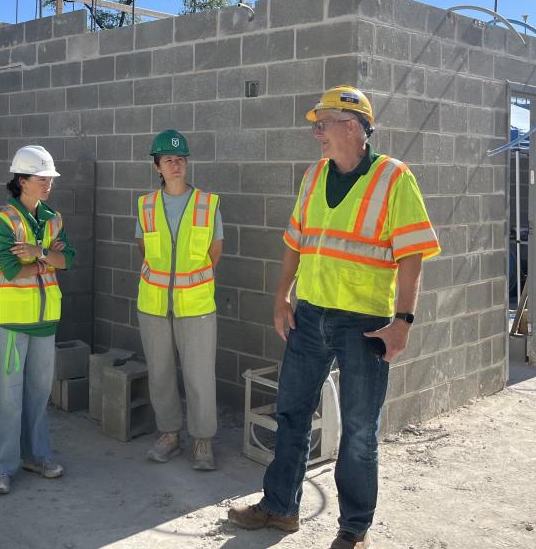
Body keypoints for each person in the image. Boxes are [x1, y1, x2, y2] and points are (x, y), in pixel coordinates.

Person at [228, 86, 440, 549]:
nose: (315, 131)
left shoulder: (393, 177)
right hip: (310, 314)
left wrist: (403, 321)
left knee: (360, 430)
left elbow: (411, 256)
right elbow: (295, 241)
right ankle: (281, 507)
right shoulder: (314, 174)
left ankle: (354, 529)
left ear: (352, 126)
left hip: (365, 323)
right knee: (292, 414)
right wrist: (282, 297)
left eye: (322, 122)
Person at [0, 145, 76, 495]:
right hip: (12, 320)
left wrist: (38, 255)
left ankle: (37, 455)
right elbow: (6, 265)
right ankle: (1, 467)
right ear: (22, 180)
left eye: (50, 178)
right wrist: (48, 259)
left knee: (38, 394)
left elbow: (68, 260)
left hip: (45, 319)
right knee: (9, 396)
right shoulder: (5, 221)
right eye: (42, 178)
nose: (49, 183)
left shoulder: (53, 219)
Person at [135, 129, 223, 470]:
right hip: (154, 303)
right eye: (169, 160)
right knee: (160, 373)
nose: (177, 165)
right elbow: (143, 247)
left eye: (181, 159)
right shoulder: (145, 205)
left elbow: (215, 250)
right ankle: (169, 435)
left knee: (200, 375)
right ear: (157, 166)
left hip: (197, 304)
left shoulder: (207, 203)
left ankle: (203, 441)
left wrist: (188, 281)